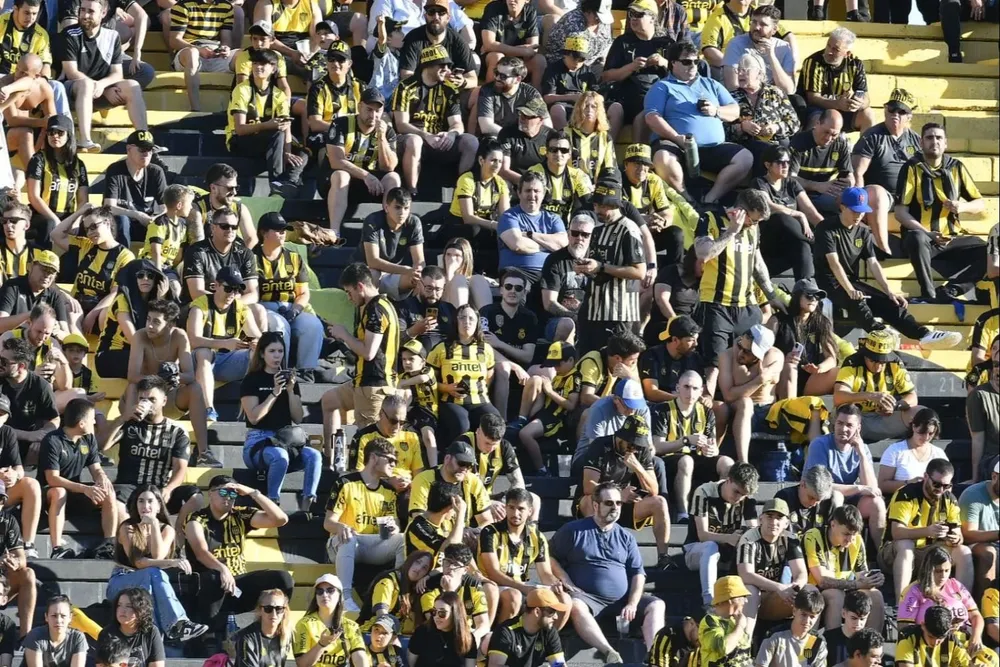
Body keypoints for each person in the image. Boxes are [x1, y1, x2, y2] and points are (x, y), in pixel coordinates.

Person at [814, 187, 962, 350]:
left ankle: (924, 334)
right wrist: (850, 290)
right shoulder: (826, 228)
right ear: (843, 207)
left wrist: (889, 291)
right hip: (828, 283)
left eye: (862, 212)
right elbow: (834, 263)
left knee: (890, 302)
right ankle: (881, 334)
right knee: (857, 300)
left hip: (851, 281)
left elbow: (873, 263)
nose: (859, 215)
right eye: (855, 211)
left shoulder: (862, 232)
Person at [549, 482, 666, 657]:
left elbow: (638, 574)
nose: (615, 507)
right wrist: (564, 578)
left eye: (618, 503)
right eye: (609, 503)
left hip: (623, 602)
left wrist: (632, 603)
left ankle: (654, 656)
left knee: (657, 605)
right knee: (576, 605)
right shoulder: (573, 530)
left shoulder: (626, 537)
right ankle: (609, 652)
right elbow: (548, 557)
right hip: (588, 599)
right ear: (596, 505)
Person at [692, 190, 778, 396]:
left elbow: (757, 263)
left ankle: (748, 402)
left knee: (751, 357)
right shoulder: (710, 218)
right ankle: (709, 401)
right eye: (753, 220)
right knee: (715, 361)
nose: (754, 224)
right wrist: (731, 231)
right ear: (741, 211)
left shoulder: (753, 229)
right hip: (716, 303)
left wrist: (771, 295)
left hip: (746, 305)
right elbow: (703, 254)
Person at [645, 41, 752, 204]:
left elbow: (735, 111)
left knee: (745, 157)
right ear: (673, 63)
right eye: (686, 62)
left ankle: (710, 199)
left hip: (712, 147)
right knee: (663, 158)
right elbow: (652, 117)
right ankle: (686, 199)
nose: (693, 66)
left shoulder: (711, 84)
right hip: (677, 145)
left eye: (696, 61)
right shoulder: (662, 87)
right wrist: (676, 138)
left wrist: (716, 111)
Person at [184, 476, 293, 632]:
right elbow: (201, 552)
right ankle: (209, 636)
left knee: (283, 578)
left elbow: (281, 519)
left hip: (238, 587)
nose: (228, 497)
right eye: (223, 492)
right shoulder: (196, 519)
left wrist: (253, 493)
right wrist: (222, 569)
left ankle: (270, 629)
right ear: (210, 493)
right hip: (208, 589)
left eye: (233, 493)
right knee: (213, 577)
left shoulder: (240, 515)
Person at [895, 123, 987, 303]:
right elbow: (900, 212)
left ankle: (951, 290)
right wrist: (927, 233)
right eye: (929, 137)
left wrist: (962, 207)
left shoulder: (956, 167)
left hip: (952, 239)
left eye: (939, 138)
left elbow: (980, 203)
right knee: (916, 237)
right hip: (923, 239)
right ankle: (929, 295)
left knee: (991, 250)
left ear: (945, 143)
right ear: (921, 143)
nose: (934, 141)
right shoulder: (911, 167)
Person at [108, 484, 206, 642]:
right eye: (141, 501)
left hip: (148, 584)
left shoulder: (167, 529)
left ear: (159, 506)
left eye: (150, 501)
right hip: (121, 581)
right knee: (153, 573)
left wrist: (153, 525)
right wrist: (172, 562)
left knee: (152, 578)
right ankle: (177, 624)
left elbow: (157, 555)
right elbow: (139, 563)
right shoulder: (128, 527)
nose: (145, 506)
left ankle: (153, 638)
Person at [123, 300, 216, 467]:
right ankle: (128, 442)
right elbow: (132, 376)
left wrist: (175, 377)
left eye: (156, 321)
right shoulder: (140, 336)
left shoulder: (180, 336)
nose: (150, 326)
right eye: (148, 319)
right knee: (131, 387)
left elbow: (190, 375)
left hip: (168, 397)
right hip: (143, 397)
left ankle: (204, 453)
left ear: (170, 325)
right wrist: (158, 379)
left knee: (195, 388)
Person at [719, 324, 826, 464]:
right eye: (740, 347)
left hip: (769, 411)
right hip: (739, 410)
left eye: (748, 351)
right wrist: (760, 379)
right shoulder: (727, 356)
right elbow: (730, 394)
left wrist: (755, 379)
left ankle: (817, 462)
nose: (741, 354)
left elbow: (742, 382)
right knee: (745, 402)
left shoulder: (775, 355)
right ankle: (743, 463)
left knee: (814, 405)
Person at [576, 414, 672, 569]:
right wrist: (618, 495)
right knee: (589, 499)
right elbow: (588, 486)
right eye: (631, 443)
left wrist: (638, 468)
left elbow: (654, 490)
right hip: (597, 501)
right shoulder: (600, 445)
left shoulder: (641, 450)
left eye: (638, 444)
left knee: (660, 502)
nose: (634, 448)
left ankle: (664, 557)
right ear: (621, 436)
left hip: (624, 503)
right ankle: (594, 552)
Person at [324, 437, 405, 613]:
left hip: (372, 544)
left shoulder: (389, 491)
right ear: (374, 457)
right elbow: (328, 523)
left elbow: (394, 526)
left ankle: (398, 591)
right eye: (390, 459)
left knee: (403, 539)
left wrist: (394, 528)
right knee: (349, 537)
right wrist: (341, 527)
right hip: (343, 543)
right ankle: (345, 598)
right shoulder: (345, 483)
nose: (394, 464)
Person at [321, 262, 401, 441]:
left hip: (373, 386)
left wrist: (344, 335)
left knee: (371, 442)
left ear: (360, 286)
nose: (349, 298)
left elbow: (369, 352)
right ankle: (333, 454)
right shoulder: (384, 304)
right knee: (329, 401)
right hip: (363, 381)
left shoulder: (375, 309)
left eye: (349, 292)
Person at [58, 0, 150, 153]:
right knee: (86, 84)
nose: (85, 15)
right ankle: (85, 141)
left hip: (97, 90)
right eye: (82, 10)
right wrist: (97, 86)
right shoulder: (70, 33)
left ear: (103, 13)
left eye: (91, 11)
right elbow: (71, 72)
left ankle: (144, 140)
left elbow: (117, 73)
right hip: (72, 90)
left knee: (132, 86)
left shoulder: (112, 36)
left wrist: (103, 86)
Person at [241, 332, 319, 507]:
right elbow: (254, 418)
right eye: (272, 351)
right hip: (258, 441)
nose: (277, 356)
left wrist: (290, 391)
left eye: (280, 351)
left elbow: (298, 418)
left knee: (314, 455)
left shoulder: (290, 381)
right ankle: (272, 501)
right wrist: (275, 392)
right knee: (280, 456)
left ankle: (308, 504)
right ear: (262, 354)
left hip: (285, 439)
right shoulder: (252, 380)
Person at [880, 458, 973, 601]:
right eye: (936, 484)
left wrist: (955, 538)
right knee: (905, 545)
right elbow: (897, 532)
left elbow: (959, 534)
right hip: (893, 553)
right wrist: (927, 531)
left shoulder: (949, 499)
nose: (941, 490)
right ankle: (902, 602)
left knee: (963, 551)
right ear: (925, 477)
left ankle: (961, 603)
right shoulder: (906, 494)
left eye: (946, 486)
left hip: (929, 553)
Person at [392, 45, 478, 193]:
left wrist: (452, 134)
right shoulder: (405, 87)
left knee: (470, 141)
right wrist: (426, 135)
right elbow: (401, 124)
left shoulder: (449, 88)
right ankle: (412, 191)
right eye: (442, 65)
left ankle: (462, 190)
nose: (447, 69)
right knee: (415, 141)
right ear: (427, 65)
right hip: (410, 139)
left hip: (438, 139)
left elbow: (457, 123)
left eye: (448, 65)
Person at [39, 398, 116, 559]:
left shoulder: (88, 439)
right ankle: (57, 549)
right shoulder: (53, 440)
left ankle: (109, 544)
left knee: (108, 490)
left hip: (76, 493)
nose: (94, 422)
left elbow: (96, 468)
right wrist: (85, 489)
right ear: (81, 423)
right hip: (49, 495)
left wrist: (101, 477)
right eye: (92, 418)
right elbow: (52, 479)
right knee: (59, 492)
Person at [104, 377, 191, 519]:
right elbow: (103, 445)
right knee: (116, 502)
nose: (146, 403)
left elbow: (180, 468)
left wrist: (169, 489)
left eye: (152, 399)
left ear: (164, 401)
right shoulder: (129, 424)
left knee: (195, 497)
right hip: (128, 486)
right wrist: (122, 418)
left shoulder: (177, 431)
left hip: (159, 488)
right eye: (142, 399)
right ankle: (126, 533)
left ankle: (177, 532)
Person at [478, 487, 568, 623]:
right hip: (493, 585)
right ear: (505, 508)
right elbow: (493, 573)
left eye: (521, 509)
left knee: (564, 599)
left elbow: (545, 574)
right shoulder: (490, 532)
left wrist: (555, 584)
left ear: (530, 511)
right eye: (511, 507)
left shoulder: (537, 537)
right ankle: (501, 635)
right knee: (514, 596)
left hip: (521, 584)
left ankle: (547, 635)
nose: (515, 513)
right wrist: (524, 588)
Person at [321, 87, 399, 242]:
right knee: (342, 175)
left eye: (377, 111)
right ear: (359, 107)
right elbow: (336, 161)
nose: (373, 115)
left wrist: (381, 138)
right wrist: (366, 175)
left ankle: (388, 232)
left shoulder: (387, 131)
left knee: (393, 178)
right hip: (334, 183)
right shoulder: (341, 124)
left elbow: (389, 167)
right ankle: (334, 232)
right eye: (369, 110)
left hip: (368, 184)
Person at [225, 49, 306, 196]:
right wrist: (267, 125)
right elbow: (240, 129)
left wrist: (287, 153)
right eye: (255, 63)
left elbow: (286, 126)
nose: (258, 67)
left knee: (304, 151)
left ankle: (289, 180)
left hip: (269, 140)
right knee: (277, 134)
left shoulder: (279, 94)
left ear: (273, 68)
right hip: (241, 140)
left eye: (263, 64)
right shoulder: (242, 90)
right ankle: (277, 183)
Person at [651, 369, 729, 521]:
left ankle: (718, 513)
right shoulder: (663, 410)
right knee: (687, 461)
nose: (690, 393)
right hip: (670, 459)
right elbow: (657, 447)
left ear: (701, 391)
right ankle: (683, 513)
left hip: (697, 458)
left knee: (727, 462)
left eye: (695, 388)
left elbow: (713, 445)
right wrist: (685, 440)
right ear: (678, 388)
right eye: (686, 387)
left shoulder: (707, 412)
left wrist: (711, 450)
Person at [851, 88, 921, 257]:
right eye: (892, 109)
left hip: (907, 195)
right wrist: (859, 202)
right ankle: (883, 248)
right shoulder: (872, 136)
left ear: (909, 116)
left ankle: (930, 245)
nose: (895, 114)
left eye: (901, 111)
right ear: (885, 110)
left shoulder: (916, 140)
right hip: (880, 195)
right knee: (878, 193)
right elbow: (857, 173)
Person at [187, 266, 264, 420]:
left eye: (237, 290)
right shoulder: (199, 306)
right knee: (204, 353)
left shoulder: (241, 308)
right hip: (199, 363)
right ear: (216, 285)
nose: (232, 294)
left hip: (228, 361)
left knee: (260, 353)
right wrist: (224, 343)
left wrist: (256, 343)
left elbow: (257, 336)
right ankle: (208, 408)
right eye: (228, 289)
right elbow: (193, 340)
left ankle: (256, 407)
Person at [577, 181, 647, 350]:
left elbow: (640, 272)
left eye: (602, 206)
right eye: (595, 205)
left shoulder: (629, 230)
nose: (597, 210)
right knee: (587, 358)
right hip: (592, 308)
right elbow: (596, 264)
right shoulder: (598, 229)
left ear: (614, 205)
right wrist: (584, 267)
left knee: (615, 360)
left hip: (618, 312)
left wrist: (602, 267)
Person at [803, 404, 886, 545]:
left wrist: (861, 453)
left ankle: (880, 551)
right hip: (821, 499)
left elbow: (872, 489)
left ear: (858, 428)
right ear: (834, 424)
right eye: (840, 423)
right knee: (837, 496)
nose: (843, 429)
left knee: (877, 503)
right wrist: (858, 488)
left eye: (849, 425)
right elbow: (820, 486)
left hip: (850, 500)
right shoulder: (820, 444)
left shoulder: (862, 448)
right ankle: (833, 547)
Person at [252, 213, 323, 373]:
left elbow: (303, 293)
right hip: (263, 308)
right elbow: (251, 294)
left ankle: (306, 372)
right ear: (264, 233)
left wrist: (295, 310)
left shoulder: (294, 258)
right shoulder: (251, 258)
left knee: (313, 325)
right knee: (279, 325)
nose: (283, 233)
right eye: (278, 230)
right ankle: (280, 371)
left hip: (290, 307)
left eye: (284, 230)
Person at [685, 462, 759, 607]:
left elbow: (755, 532)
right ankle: (710, 603)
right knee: (710, 546)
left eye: (744, 495)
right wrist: (729, 538)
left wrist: (745, 535)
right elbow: (702, 535)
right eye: (736, 492)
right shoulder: (704, 492)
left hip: (727, 555)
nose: (739, 498)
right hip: (696, 550)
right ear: (728, 480)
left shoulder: (746, 499)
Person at [52, 205, 135, 334]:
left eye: (94, 227)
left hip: (101, 307)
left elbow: (115, 292)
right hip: (78, 304)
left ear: (107, 223)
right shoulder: (85, 245)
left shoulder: (125, 256)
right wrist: (79, 212)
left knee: (105, 314)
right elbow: (55, 234)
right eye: (87, 229)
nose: (90, 233)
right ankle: (77, 344)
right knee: (68, 310)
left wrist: (93, 313)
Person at [426, 304, 501, 444]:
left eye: (471, 318)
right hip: (451, 402)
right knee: (462, 426)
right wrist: (446, 388)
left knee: (496, 424)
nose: (467, 322)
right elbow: (428, 380)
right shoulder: (441, 348)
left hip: (480, 402)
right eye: (462, 318)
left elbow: (489, 377)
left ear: (477, 323)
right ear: (456, 321)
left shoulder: (486, 349)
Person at [803, 504, 885, 632]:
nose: (850, 540)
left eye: (854, 534)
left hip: (845, 588)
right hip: (814, 592)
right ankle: (834, 642)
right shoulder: (813, 536)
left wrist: (873, 580)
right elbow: (822, 581)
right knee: (835, 594)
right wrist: (857, 584)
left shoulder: (856, 540)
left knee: (875, 595)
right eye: (846, 534)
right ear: (833, 525)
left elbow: (862, 575)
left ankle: (871, 641)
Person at [734, 497, 807, 636]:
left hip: (772, 596)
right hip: (744, 598)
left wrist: (795, 586)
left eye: (779, 518)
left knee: (809, 592)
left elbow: (801, 573)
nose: (774, 522)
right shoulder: (749, 539)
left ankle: (807, 642)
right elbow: (745, 575)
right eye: (770, 516)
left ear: (786, 523)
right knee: (752, 591)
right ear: (761, 519)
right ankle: (744, 642)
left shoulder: (790, 539)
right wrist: (779, 587)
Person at [601, 0, 671, 140]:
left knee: (645, 114)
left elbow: (682, 74)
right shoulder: (622, 42)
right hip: (627, 97)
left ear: (652, 18)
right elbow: (606, 76)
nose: (633, 18)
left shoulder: (666, 43)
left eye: (639, 15)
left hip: (656, 98)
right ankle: (606, 152)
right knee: (615, 109)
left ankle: (638, 153)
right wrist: (631, 67)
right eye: (631, 14)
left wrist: (664, 63)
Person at [899, 545, 987, 653]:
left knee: (993, 659)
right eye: (938, 571)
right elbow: (905, 628)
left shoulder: (955, 585)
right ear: (928, 570)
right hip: (931, 645)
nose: (943, 576)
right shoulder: (914, 591)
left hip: (963, 642)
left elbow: (975, 615)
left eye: (947, 570)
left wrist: (976, 636)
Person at [94, 259, 171, 378]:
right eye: (140, 275)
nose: (146, 279)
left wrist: (160, 301)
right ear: (132, 278)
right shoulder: (122, 300)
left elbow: (163, 334)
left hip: (137, 355)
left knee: (170, 365)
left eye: (150, 276)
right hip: (110, 355)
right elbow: (134, 339)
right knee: (151, 364)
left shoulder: (153, 302)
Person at [754, 148, 820, 282]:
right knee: (781, 217)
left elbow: (811, 212)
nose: (785, 166)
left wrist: (829, 232)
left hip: (789, 244)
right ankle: (814, 243)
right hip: (767, 240)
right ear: (768, 165)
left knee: (802, 246)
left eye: (788, 162)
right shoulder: (759, 182)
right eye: (780, 162)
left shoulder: (792, 183)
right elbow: (769, 206)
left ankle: (804, 288)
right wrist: (798, 214)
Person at [725, 52, 800, 169]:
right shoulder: (731, 97)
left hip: (775, 145)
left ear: (759, 73)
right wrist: (742, 127)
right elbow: (721, 129)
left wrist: (776, 127)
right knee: (765, 151)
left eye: (745, 70)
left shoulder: (776, 93)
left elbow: (794, 123)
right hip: (744, 147)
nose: (740, 73)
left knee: (783, 151)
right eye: (738, 70)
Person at [445, 140, 509, 272]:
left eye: (500, 161)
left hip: (484, 225)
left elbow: (505, 215)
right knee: (474, 229)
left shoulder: (501, 183)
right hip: (459, 225)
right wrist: (493, 225)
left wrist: (504, 227)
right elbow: (468, 217)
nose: (497, 165)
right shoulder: (467, 179)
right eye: (493, 160)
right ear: (481, 160)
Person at [24, 114, 87, 247]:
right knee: (49, 224)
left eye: (60, 132)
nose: (55, 136)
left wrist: (75, 221)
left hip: (69, 216)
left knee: (92, 225)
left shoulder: (79, 164)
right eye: (51, 132)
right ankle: (44, 259)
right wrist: (55, 219)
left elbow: (83, 200)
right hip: (41, 215)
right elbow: (33, 197)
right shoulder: (38, 159)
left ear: (69, 135)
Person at [496, 171, 567, 286]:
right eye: (528, 190)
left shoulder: (554, 219)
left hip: (549, 273)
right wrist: (548, 246)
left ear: (543, 193)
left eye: (536, 191)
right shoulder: (509, 216)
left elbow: (562, 245)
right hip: (518, 273)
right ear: (519, 193)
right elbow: (518, 245)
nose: (532, 195)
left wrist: (530, 235)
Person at [354, 187, 425, 301]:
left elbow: (419, 261)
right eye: (397, 207)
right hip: (367, 271)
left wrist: (419, 277)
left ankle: (410, 310)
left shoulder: (414, 222)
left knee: (418, 279)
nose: (402, 213)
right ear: (386, 207)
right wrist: (406, 270)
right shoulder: (373, 221)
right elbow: (372, 261)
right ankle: (371, 310)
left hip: (395, 274)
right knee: (374, 274)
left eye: (406, 208)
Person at [796, 29, 874, 133]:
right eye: (828, 45)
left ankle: (865, 144)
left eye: (836, 49)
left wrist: (859, 103)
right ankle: (809, 143)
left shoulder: (855, 64)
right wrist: (837, 104)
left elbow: (866, 97)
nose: (829, 51)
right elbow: (813, 98)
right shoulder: (814, 62)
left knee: (868, 114)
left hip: (842, 109)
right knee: (818, 119)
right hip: (817, 109)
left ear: (847, 53)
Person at [102, 130, 167, 247]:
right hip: (123, 225)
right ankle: (123, 257)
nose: (146, 154)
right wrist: (137, 215)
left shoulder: (156, 172)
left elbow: (166, 207)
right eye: (142, 149)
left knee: (172, 221)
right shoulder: (115, 170)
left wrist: (155, 219)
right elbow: (109, 207)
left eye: (150, 150)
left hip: (147, 223)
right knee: (122, 220)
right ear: (129, 149)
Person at [167, 0, 234, 111]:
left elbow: (226, 39)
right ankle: (195, 109)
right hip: (188, 51)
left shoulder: (226, 6)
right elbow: (174, 40)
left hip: (215, 52)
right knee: (192, 53)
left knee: (242, 56)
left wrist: (226, 48)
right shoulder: (183, 6)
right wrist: (199, 50)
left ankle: (239, 108)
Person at [0, 337, 59, 463]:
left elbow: (53, 419)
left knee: (47, 444)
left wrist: (42, 435)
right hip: (3, 439)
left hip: (27, 445)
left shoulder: (40, 386)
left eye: (4, 362)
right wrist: (28, 435)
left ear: (21, 366)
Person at [0, 395, 43, 560]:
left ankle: (28, 545)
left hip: (3, 492)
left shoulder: (7, 432)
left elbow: (19, 467)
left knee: (31, 484)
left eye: (2, 414)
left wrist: (14, 475)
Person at [347, 394, 424, 485]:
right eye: (393, 421)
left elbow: (418, 474)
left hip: (408, 489)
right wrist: (388, 483)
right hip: (375, 489)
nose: (397, 427)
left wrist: (411, 485)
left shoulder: (411, 436)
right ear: (381, 414)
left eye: (402, 422)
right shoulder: (364, 437)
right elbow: (357, 476)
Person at [292, 574, 367, 667]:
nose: (324, 595)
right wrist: (321, 645)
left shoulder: (351, 626)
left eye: (330, 590)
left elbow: (359, 657)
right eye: (319, 591)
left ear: (340, 595)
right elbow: (302, 664)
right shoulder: (305, 624)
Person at [789, 110, 854, 218]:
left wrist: (848, 184)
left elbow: (849, 175)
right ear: (817, 124)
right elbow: (789, 179)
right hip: (802, 194)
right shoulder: (799, 143)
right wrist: (818, 186)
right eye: (826, 132)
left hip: (829, 194)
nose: (828, 138)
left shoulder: (840, 143)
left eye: (834, 134)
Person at [720, 6, 796, 96]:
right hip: (743, 97)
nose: (756, 27)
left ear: (774, 29)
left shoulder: (783, 47)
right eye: (754, 22)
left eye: (763, 24)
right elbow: (732, 86)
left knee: (797, 100)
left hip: (773, 98)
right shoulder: (736, 44)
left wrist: (771, 55)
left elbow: (788, 90)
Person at [486, 588, 569, 667]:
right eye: (551, 612)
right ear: (537, 612)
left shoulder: (549, 631)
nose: (556, 617)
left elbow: (558, 663)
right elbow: (495, 665)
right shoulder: (506, 631)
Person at [877, 408, 949, 496]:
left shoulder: (939, 453)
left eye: (931, 433)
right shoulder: (895, 450)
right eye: (922, 432)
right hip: (902, 500)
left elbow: (948, 485)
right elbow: (882, 485)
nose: (926, 438)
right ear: (913, 427)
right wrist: (908, 484)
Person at [358, 551, 433, 635]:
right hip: (368, 633)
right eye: (417, 562)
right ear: (410, 561)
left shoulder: (417, 589)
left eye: (424, 568)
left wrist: (428, 577)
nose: (419, 569)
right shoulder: (388, 580)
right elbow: (381, 614)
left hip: (395, 635)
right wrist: (391, 633)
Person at [895, 605, 993, 667]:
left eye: (940, 639)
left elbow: (965, 664)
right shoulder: (907, 637)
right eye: (931, 637)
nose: (935, 643)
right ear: (923, 625)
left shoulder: (951, 640)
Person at [188, 163, 257, 249]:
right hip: (205, 255)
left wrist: (243, 256)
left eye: (236, 188)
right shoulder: (197, 209)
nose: (234, 192)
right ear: (213, 188)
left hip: (232, 255)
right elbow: (197, 244)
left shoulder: (239, 209)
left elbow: (251, 239)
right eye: (229, 188)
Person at [527, 131, 592, 223]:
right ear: (546, 152)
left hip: (563, 228)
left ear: (569, 154)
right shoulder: (535, 172)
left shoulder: (577, 175)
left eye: (564, 150)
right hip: (536, 225)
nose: (558, 154)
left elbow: (588, 203)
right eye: (553, 150)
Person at [0, 478, 37, 635]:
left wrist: (15, 562)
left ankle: (25, 637)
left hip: (2, 583)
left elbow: (21, 558)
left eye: (1, 499)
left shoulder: (8, 520)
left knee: (28, 573)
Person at [753, 588, 827, 667]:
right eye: (803, 615)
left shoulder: (818, 641)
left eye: (812, 617)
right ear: (794, 611)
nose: (807, 621)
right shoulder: (775, 636)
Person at [0, 250, 69, 334]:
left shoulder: (55, 295)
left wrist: (56, 330)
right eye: (44, 269)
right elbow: (1, 325)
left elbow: (65, 333)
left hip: (43, 340)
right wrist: (31, 315)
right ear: (31, 267)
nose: (47, 275)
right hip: (11, 339)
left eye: (52, 272)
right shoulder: (12, 286)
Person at [480, 0, 544, 88]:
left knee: (539, 60)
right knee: (497, 56)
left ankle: (535, 93)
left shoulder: (530, 11)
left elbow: (533, 47)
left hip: (517, 59)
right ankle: (488, 92)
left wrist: (501, 48)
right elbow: (488, 44)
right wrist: (523, 51)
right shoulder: (493, 8)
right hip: (493, 57)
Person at [959, 459, 999, 600]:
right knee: (988, 552)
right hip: (977, 544)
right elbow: (967, 534)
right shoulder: (973, 495)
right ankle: (986, 605)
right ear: (994, 476)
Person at [475, 57, 543, 137]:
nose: (497, 78)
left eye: (503, 76)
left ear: (517, 79)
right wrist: (513, 139)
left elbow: (546, 123)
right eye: (496, 73)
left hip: (522, 139)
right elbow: (486, 126)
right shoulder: (487, 90)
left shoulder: (531, 93)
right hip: (496, 137)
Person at [98, 589, 165, 667]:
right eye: (119, 605)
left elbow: (157, 664)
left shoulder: (151, 632)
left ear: (141, 610)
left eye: (129, 606)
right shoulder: (107, 633)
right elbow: (101, 664)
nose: (122, 610)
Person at [407, 590, 475, 667]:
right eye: (434, 612)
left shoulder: (467, 638)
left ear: (455, 614)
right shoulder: (422, 632)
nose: (436, 617)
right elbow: (411, 664)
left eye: (442, 613)